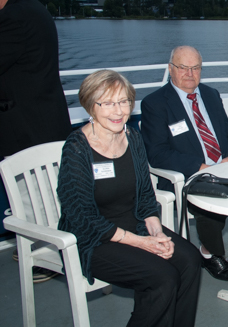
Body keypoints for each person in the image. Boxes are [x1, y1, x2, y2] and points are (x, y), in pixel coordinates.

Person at [57, 70, 201, 327]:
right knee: (163, 278)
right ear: (90, 105)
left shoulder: (132, 137)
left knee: (189, 260)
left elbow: (145, 194)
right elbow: (82, 217)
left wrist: (156, 233)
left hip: (133, 223)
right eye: (108, 103)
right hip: (94, 238)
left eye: (124, 101)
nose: (118, 111)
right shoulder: (77, 148)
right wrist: (142, 243)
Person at [141, 45, 228, 282]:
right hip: (189, 173)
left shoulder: (211, 94)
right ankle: (209, 253)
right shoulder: (155, 104)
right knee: (209, 201)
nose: (189, 74)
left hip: (222, 164)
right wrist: (203, 167)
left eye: (195, 68)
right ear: (170, 69)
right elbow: (157, 153)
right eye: (183, 67)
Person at [0, 0, 72, 283]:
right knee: (40, 193)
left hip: (28, 124)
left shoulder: (15, 17)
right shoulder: (30, 6)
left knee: (33, 195)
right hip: (42, 117)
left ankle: (44, 258)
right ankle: (41, 249)